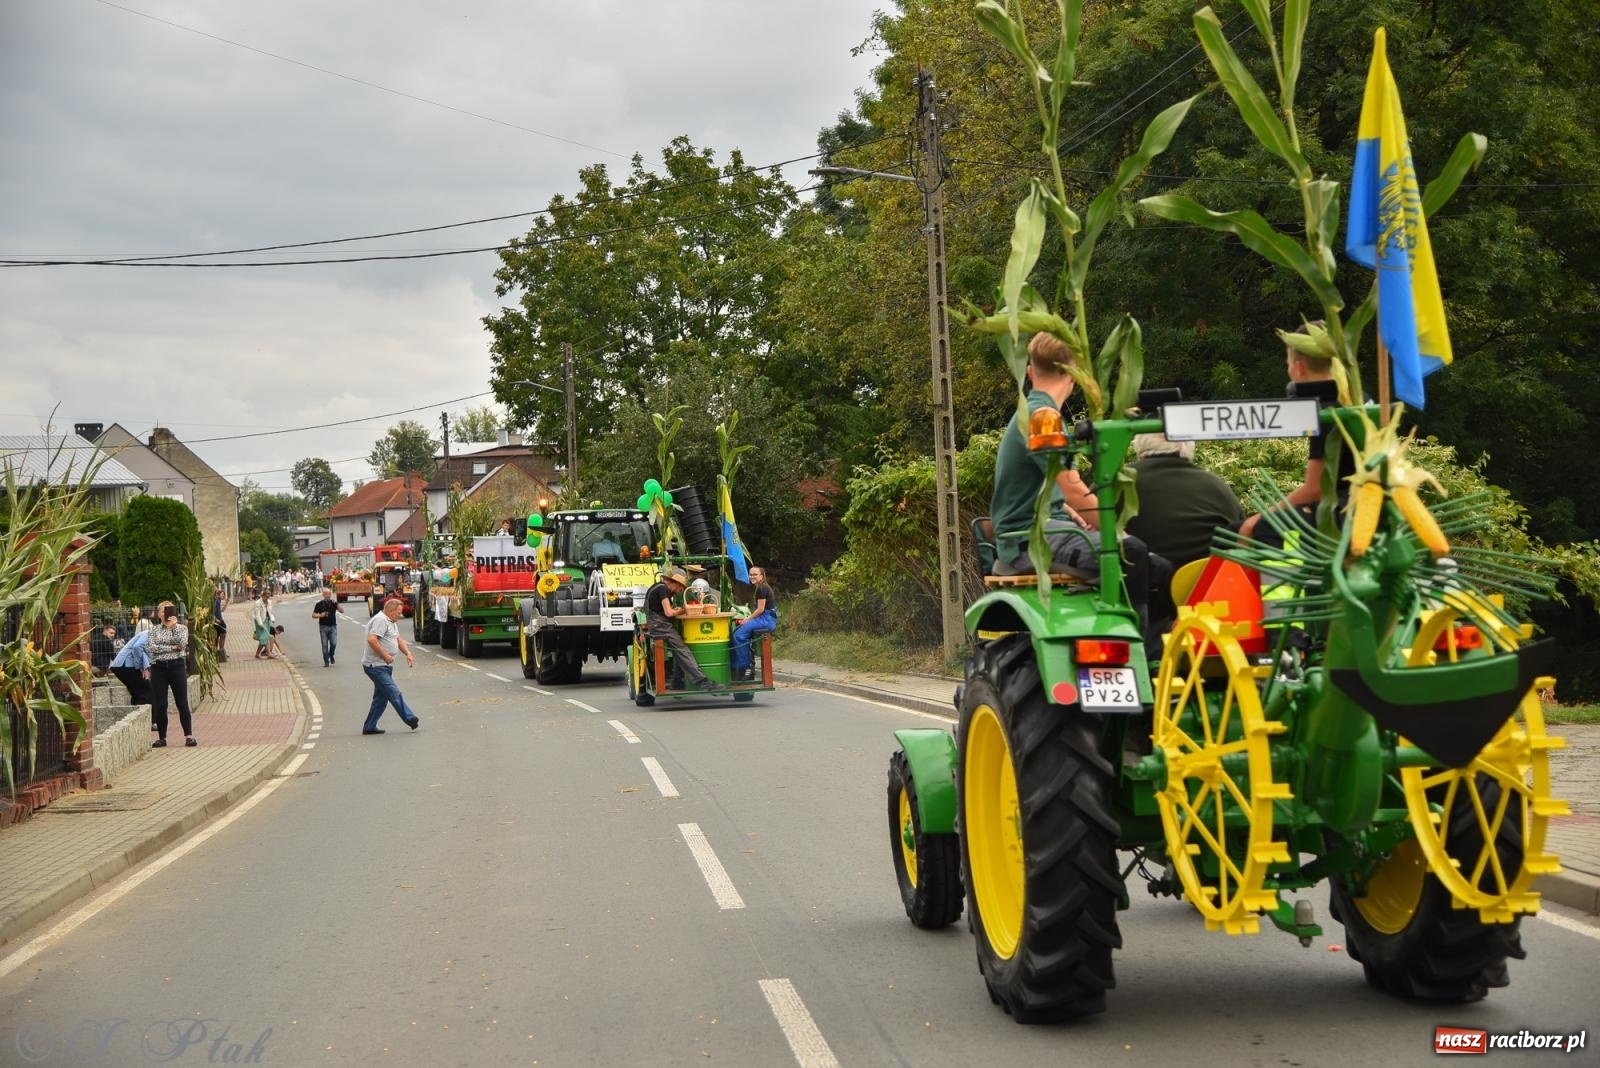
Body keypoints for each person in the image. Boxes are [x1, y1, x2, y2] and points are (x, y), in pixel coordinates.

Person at [990, 332, 1171, 631]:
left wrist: (1076, 517)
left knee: (1158, 568)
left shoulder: (1039, 413)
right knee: (1135, 553)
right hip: (1030, 540)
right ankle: (1139, 646)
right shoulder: (1043, 418)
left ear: (1031, 371)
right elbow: (1074, 490)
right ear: (1075, 375)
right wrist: (1116, 532)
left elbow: (1049, 489)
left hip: (1043, 529)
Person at [1238, 328, 1350, 547]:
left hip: (1341, 514)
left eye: (1288, 364)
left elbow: (1316, 489)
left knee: (1249, 530)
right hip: (1358, 506)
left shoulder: (1324, 410)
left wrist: (1256, 520)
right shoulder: (1353, 397)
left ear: (1298, 369)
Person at [1125, 434, 1244, 572]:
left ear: (1138, 446)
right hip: (1206, 585)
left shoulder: (1118, 483)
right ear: (1189, 446)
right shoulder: (1216, 486)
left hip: (1136, 586)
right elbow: (1241, 536)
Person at [644, 566, 719, 691]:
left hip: (657, 624)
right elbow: (668, 613)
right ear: (674, 584)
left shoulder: (657, 587)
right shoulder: (663, 590)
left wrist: (677, 611)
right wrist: (683, 610)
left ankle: (677, 680)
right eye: (680, 588)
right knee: (682, 649)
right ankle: (701, 681)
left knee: (679, 649)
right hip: (660, 626)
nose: (679, 591)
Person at [361, 597, 420, 735]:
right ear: (390, 610)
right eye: (398, 612)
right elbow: (372, 639)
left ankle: (369, 726)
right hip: (376, 666)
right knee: (393, 692)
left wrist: (408, 653)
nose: (400, 615)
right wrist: (385, 656)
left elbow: (398, 639)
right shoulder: (381, 620)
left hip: (383, 666)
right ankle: (410, 718)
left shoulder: (391, 621)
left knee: (381, 699)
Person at [147, 604, 196, 748]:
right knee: (161, 704)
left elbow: (182, 644)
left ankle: (189, 736)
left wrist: (173, 628)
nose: (166, 613)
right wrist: (171, 647)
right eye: (163, 611)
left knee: (182, 702)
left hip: (177, 666)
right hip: (159, 668)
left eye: (168, 611)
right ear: (159, 614)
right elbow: (151, 647)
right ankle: (162, 737)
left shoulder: (181, 628)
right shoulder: (153, 630)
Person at [730, 566, 778, 681]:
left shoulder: (762, 588)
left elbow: (761, 609)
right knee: (736, 631)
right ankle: (739, 664)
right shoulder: (760, 587)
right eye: (751, 574)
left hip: (766, 620)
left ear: (762, 576)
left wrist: (748, 619)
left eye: (755, 574)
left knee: (738, 636)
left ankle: (747, 667)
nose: (752, 576)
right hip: (764, 618)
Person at [109, 627, 153, 706]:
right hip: (125, 665)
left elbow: (144, 653)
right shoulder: (150, 633)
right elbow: (137, 647)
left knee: (140, 693)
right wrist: (141, 666)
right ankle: (148, 717)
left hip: (125, 666)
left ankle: (141, 715)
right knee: (147, 693)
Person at [312, 586, 342, 666]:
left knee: (334, 643)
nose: (328, 595)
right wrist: (321, 615)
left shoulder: (333, 603)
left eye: (329, 594)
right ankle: (326, 661)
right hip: (323, 627)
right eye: (326, 594)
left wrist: (337, 603)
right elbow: (313, 615)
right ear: (323, 595)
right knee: (324, 645)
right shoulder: (319, 604)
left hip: (333, 626)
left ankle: (331, 655)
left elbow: (342, 611)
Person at [251, 591, 277, 658]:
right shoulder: (258, 603)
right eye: (266, 597)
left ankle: (257, 654)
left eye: (268, 597)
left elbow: (270, 611)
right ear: (263, 596)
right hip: (260, 621)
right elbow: (257, 615)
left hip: (267, 620)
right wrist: (260, 624)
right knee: (265, 637)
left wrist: (272, 619)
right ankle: (269, 654)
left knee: (263, 638)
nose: (267, 598)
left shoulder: (269, 602)